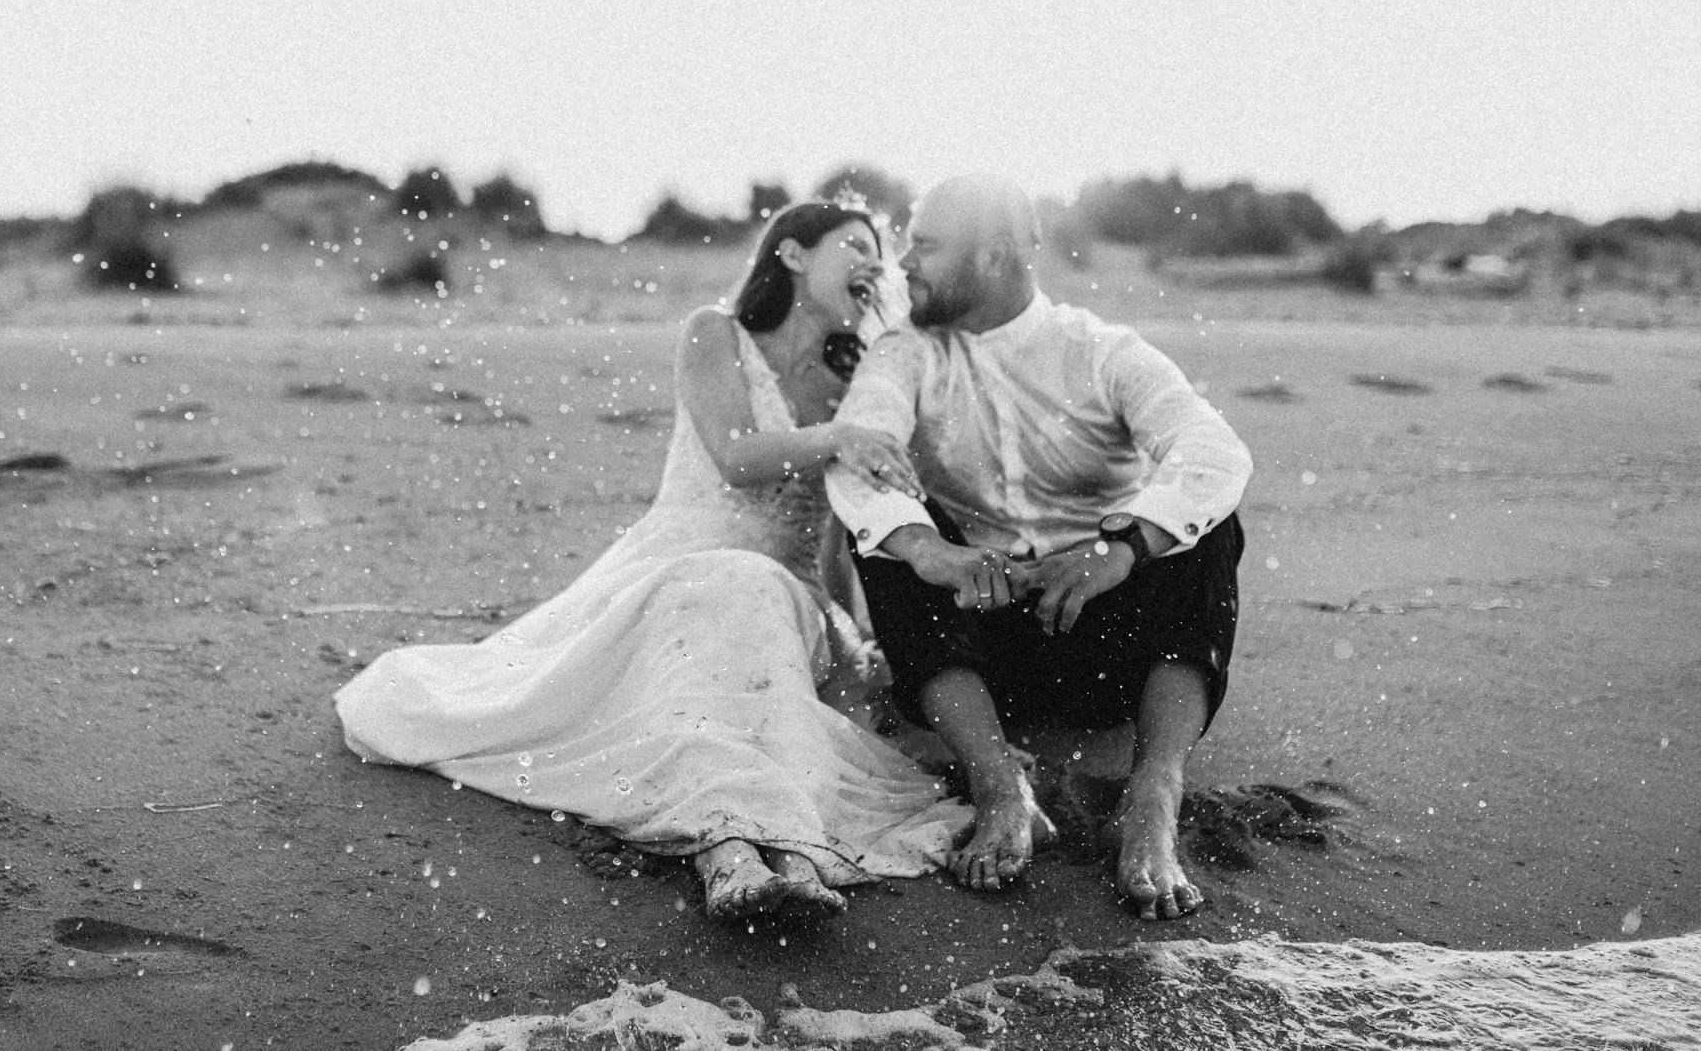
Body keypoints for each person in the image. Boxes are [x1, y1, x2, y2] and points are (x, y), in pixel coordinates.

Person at [336, 203, 971, 921]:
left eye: (878, 251)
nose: (874, 262)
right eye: (855, 244)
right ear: (793, 255)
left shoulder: (848, 387)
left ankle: (784, 854)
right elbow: (734, 455)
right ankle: (731, 856)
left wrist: (857, 627)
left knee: (758, 662)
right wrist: (838, 436)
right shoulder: (716, 334)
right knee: (696, 676)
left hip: (785, 591)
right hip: (675, 565)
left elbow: (831, 530)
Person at [825, 175, 1252, 920]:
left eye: (925, 246)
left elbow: (1213, 449)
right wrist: (930, 551)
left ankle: (1153, 794)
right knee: (892, 533)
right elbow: (861, 457)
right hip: (977, 652)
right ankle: (1001, 787)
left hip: (1112, 647)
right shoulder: (905, 353)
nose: (903, 264)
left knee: (1207, 523)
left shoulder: (1101, 351)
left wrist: (1122, 547)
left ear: (993, 257)